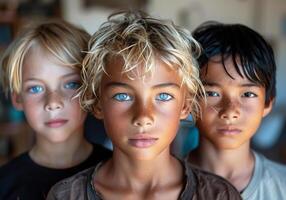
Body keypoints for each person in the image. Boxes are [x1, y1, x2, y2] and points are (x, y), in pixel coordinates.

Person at [47, 11, 241, 200]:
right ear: (97, 104)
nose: (143, 117)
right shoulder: (66, 195)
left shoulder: (219, 195)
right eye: (122, 96)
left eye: (163, 96)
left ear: (185, 105)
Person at [0, 20, 111, 200]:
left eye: (71, 84)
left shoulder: (119, 173)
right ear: (17, 98)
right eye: (35, 88)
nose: (53, 102)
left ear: (91, 90)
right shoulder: (4, 184)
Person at [187, 21, 286, 200]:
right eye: (212, 93)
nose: (230, 111)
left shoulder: (282, 186)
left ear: (268, 103)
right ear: (190, 101)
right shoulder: (161, 186)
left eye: (247, 93)